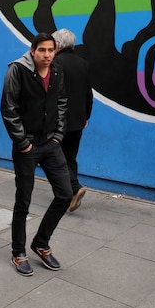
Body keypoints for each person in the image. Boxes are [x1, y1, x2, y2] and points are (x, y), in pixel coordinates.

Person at [1, 32, 71, 276]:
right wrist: (22, 142)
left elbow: (62, 101)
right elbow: (8, 109)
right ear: (33, 51)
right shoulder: (18, 71)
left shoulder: (57, 71)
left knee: (65, 194)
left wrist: (58, 135)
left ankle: (41, 243)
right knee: (24, 200)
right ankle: (18, 252)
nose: (47, 55)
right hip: (27, 146)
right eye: (42, 50)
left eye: (51, 50)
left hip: (51, 143)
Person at [51, 28, 93, 212]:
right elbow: (88, 94)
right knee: (70, 156)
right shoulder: (83, 63)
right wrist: (86, 116)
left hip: (59, 121)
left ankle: (72, 190)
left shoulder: (55, 63)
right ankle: (69, 192)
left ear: (58, 45)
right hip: (78, 120)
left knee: (57, 158)